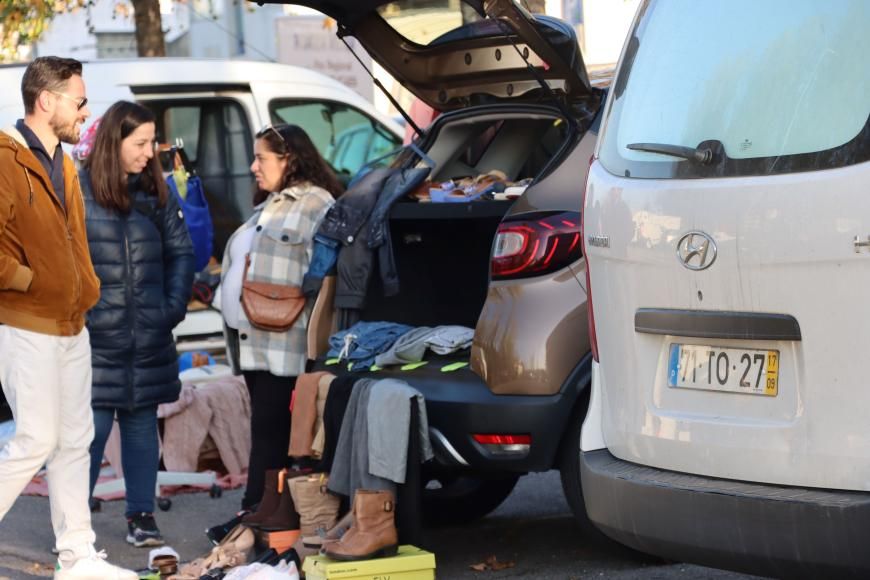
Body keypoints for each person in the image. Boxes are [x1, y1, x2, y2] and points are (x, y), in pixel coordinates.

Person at [0, 57, 137, 579]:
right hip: (25, 323)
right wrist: (30, 282)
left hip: (71, 324)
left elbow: (74, 241)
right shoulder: (6, 159)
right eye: (79, 100)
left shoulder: (66, 162)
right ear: (46, 100)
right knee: (35, 438)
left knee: (75, 441)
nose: (86, 110)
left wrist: (85, 285)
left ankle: (77, 556)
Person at [80, 101, 195, 547]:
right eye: (141, 142)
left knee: (142, 425)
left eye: (153, 142)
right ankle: (73, 524)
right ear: (116, 141)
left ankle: (142, 517)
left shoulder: (157, 192)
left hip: (148, 333)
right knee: (90, 432)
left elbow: (182, 254)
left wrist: (171, 308)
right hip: (94, 338)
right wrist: (85, 316)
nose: (150, 152)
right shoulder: (79, 189)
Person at [221, 124, 343, 511]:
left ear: (288, 159)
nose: (253, 166)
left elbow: (326, 281)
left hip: (287, 342)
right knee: (266, 431)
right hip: (255, 342)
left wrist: (318, 348)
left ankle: (256, 514)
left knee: (272, 433)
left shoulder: (316, 205)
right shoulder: (271, 203)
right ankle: (259, 514)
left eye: (261, 157)